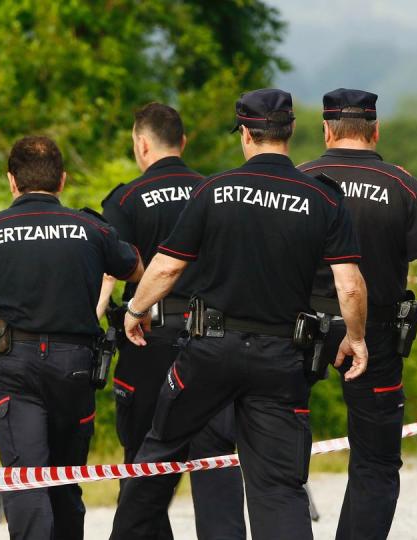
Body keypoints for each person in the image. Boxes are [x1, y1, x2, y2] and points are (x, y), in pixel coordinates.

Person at [110, 89, 370, 540]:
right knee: (278, 487)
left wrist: (135, 309)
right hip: (280, 358)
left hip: (209, 353)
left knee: (158, 456)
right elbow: (349, 284)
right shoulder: (322, 197)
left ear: (246, 134)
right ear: (289, 132)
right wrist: (357, 338)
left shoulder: (215, 189)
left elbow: (168, 266)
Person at [0, 136, 144, 540]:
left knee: (26, 481)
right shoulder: (90, 228)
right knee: (65, 483)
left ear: (12, 181)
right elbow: (137, 268)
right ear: (62, 180)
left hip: (14, 369)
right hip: (75, 369)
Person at [298, 88, 417, 540]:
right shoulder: (405, 186)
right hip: (375, 335)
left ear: (326, 129)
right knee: (375, 462)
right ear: (376, 131)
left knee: (280, 457)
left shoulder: (300, 181)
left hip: (300, 333)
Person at [98, 102, 245, 540]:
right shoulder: (217, 192)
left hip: (148, 340)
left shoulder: (124, 199)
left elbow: (111, 269)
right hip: (214, 342)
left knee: (145, 463)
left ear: (141, 144)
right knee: (216, 462)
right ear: (182, 142)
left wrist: (98, 318)